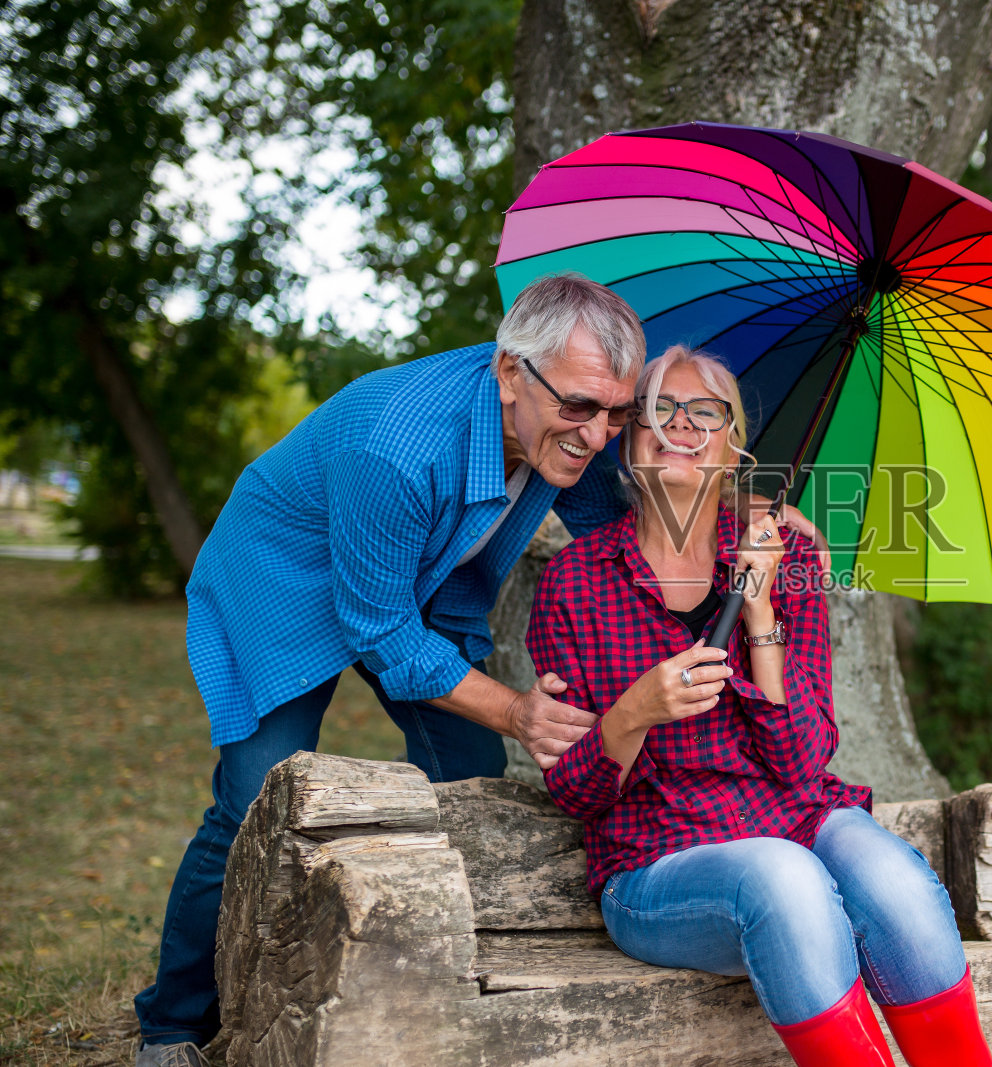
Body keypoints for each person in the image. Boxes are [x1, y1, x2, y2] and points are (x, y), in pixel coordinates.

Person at [134, 275, 827, 1067]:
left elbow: (640, 522)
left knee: (466, 773)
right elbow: (379, 627)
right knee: (251, 795)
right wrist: (516, 709)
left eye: (617, 413)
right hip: (287, 578)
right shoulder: (393, 446)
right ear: (507, 374)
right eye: (579, 407)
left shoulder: (574, 417)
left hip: (420, 581)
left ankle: (396, 961)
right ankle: (171, 1025)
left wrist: (752, 514)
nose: (597, 435)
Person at [528, 346, 992, 1067]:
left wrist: (760, 613)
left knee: (897, 885)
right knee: (783, 876)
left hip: (795, 816)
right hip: (657, 861)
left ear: (732, 447)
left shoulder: (786, 559)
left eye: (705, 411)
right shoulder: (576, 581)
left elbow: (804, 760)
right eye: (659, 407)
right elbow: (576, 791)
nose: (680, 423)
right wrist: (636, 710)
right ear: (628, 437)